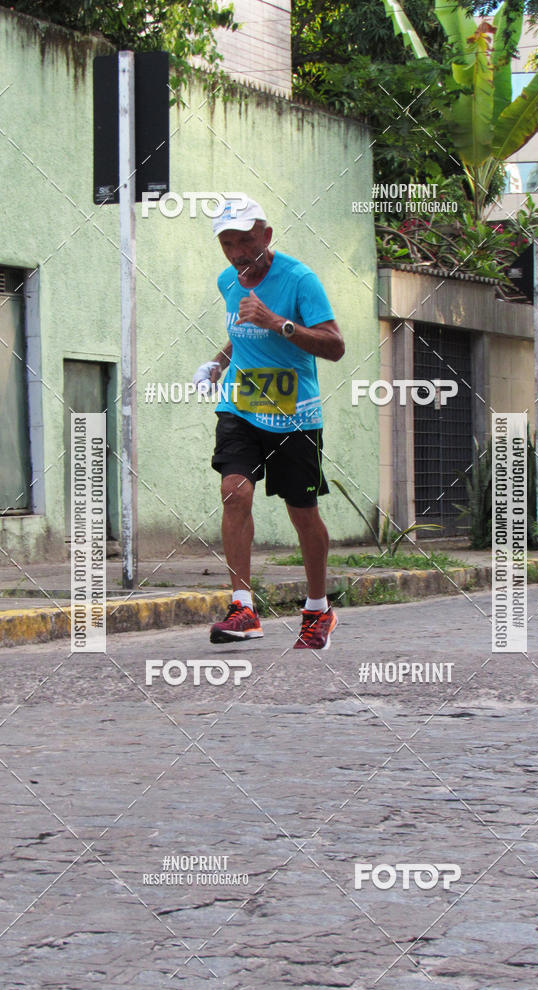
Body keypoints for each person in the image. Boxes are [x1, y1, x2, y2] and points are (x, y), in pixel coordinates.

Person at [194, 196, 345, 650]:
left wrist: (279, 323)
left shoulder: (300, 280)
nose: (237, 253)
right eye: (227, 244)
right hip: (240, 406)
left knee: (302, 512)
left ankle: (317, 608)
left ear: (266, 235)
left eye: (245, 241)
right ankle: (243, 608)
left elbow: (335, 346)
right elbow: (242, 333)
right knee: (234, 491)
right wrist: (217, 363)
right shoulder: (228, 281)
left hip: (294, 415)